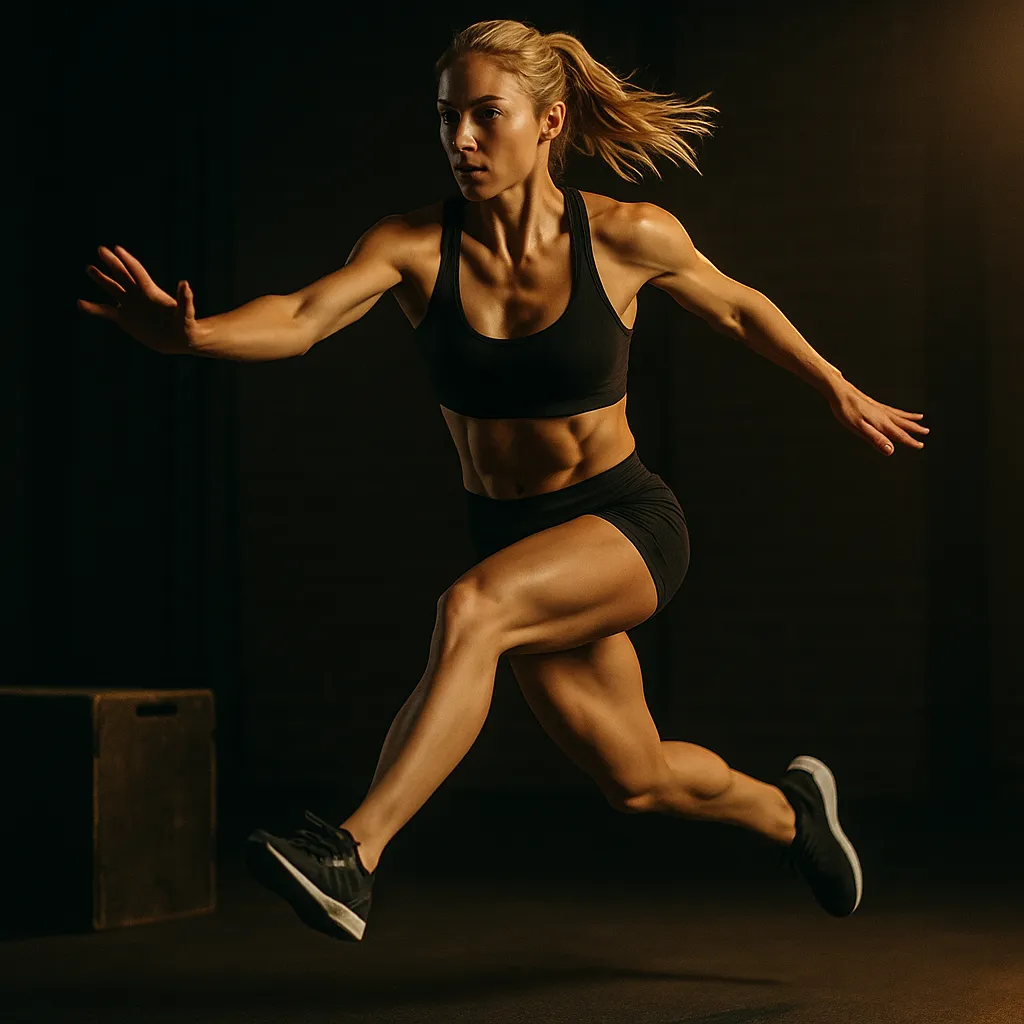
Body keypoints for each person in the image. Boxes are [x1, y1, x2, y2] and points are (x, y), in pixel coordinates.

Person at [79, 19, 928, 943]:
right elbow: (302, 315)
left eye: (487, 116)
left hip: (626, 522)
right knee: (635, 778)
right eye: (448, 120)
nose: (463, 141)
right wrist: (197, 336)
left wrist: (836, 386)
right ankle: (793, 813)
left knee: (472, 609)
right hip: (515, 537)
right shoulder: (410, 246)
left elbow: (738, 305)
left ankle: (352, 854)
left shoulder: (627, 234)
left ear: (550, 120)